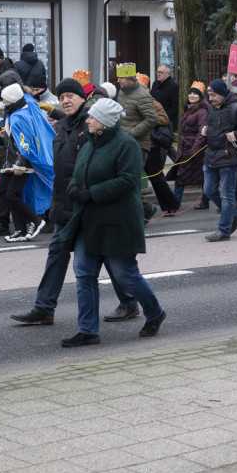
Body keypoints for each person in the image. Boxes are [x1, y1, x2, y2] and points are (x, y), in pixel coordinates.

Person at [11, 79, 140, 326]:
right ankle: (44, 307)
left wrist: (92, 196)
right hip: (64, 203)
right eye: (61, 97)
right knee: (57, 254)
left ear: (82, 98)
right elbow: (60, 169)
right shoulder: (62, 126)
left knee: (104, 255)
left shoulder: (93, 125)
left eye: (70, 95)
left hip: (87, 205)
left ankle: (130, 301)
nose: (65, 100)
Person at [57, 98, 168, 347]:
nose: (87, 120)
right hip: (89, 221)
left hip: (117, 222)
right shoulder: (88, 143)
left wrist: (90, 193)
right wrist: (74, 187)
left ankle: (154, 312)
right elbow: (78, 171)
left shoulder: (126, 145)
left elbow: (128, 181)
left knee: (125, 274)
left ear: (105, 122)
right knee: (84, 274)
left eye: (92, 117)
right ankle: (88, 330)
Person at [0, 84, 51, 242]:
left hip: (20, 164)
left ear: (12, 99)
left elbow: (26, 144)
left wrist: (20, 165)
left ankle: (35, 220)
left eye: (4, 98)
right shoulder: (12, 114)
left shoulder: (20, 116)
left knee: (13, 196)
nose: (2, 101)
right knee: (7, 194)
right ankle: (20, 229)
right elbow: (11, 140)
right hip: (8, 163)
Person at [201, 79, 237, 241]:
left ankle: (224, 231)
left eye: (213, 95)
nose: (210, 99)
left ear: (222, 94)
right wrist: (206, 130)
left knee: (227, 196)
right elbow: (216, 126)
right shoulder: (212, 108)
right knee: (209, 190)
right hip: (211, 156)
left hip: (228, 157)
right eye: (209, 95)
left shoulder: (236, 107)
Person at [114, 72, 159, 220]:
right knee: (124, 179)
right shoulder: (121, 92)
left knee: (131, 180)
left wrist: (131, 132)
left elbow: (152, 119)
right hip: (123, 142)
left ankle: (146, 210)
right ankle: (141, 210)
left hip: (138, 145)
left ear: (130, 79)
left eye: (121, 78)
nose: (118, 80)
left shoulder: (142, 95)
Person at [168, 84, 209, 206]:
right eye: (190, 93)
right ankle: (178, 202)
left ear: (200, 96)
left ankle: (176, 203)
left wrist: (194, 150)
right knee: (183, 174)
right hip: (186, 147)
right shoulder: (188, 108)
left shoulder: (202, 111)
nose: (192, 95)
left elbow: (202, 133)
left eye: (195, 93)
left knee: (189, 175)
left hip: (195, 148)